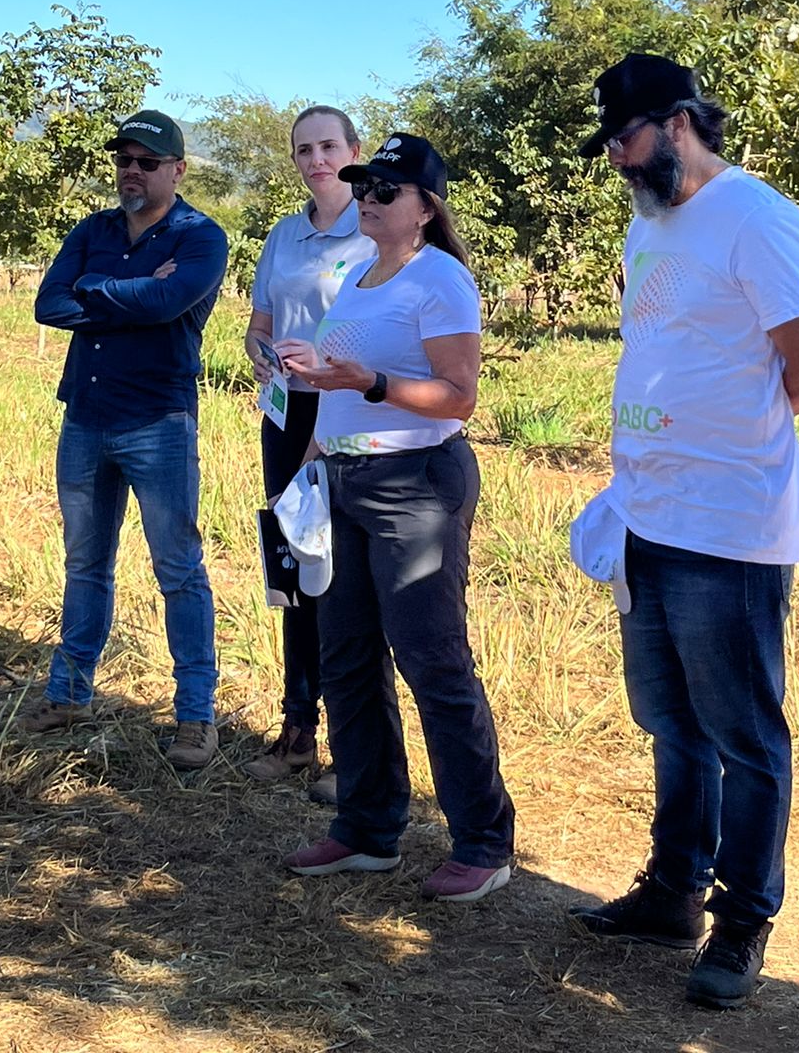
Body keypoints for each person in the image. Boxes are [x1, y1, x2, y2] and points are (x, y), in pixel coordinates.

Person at [568, 53, 799, 1008]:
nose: (616, 159)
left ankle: (742, 921)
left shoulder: (759, 218)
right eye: (608, 141)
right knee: (669, 720)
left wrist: (757, 443)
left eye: (628, 138)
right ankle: (671, 890)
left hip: (727, 526)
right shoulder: (652, 223)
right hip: (649, 513)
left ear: (681, 121)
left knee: (743, 734)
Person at [275, 132, 514, 902]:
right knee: (344, 654)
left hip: (414, 483)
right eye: (364, 186)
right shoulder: (358, 275)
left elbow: (459, 395)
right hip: (342, 478)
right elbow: (340, 386)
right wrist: (313, 447)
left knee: (431, 659)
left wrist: (371, 381)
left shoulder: (439, 278)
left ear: (424, 208)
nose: (368, 198)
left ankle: (482, 839)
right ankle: (368, 826)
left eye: (385, 190)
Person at [29, 109, 228, 769]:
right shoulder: (94, 229)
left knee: (178, 569)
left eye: (147, 161)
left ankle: (196, 717)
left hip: (158, 423)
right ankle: (69, 694)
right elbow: (48, 303)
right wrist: (126, 292)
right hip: (85, 416)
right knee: (86, 563)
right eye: (124, 160)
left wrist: (98, 290)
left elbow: (168, 306)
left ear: (177, 169)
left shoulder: (201, 237)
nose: (132, 171)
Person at [243, 105, 375, 799]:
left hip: (348, 413)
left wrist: (327, 359)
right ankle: (298, 731)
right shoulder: (284, 236)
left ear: (355, 151)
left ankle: (358, 746)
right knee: (292, 565)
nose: (317, 159)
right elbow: (259, 324)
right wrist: (261, 356)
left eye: (328, 146)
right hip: (288, 414)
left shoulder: (375, 232)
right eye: (304, 150)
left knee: (346, 577)